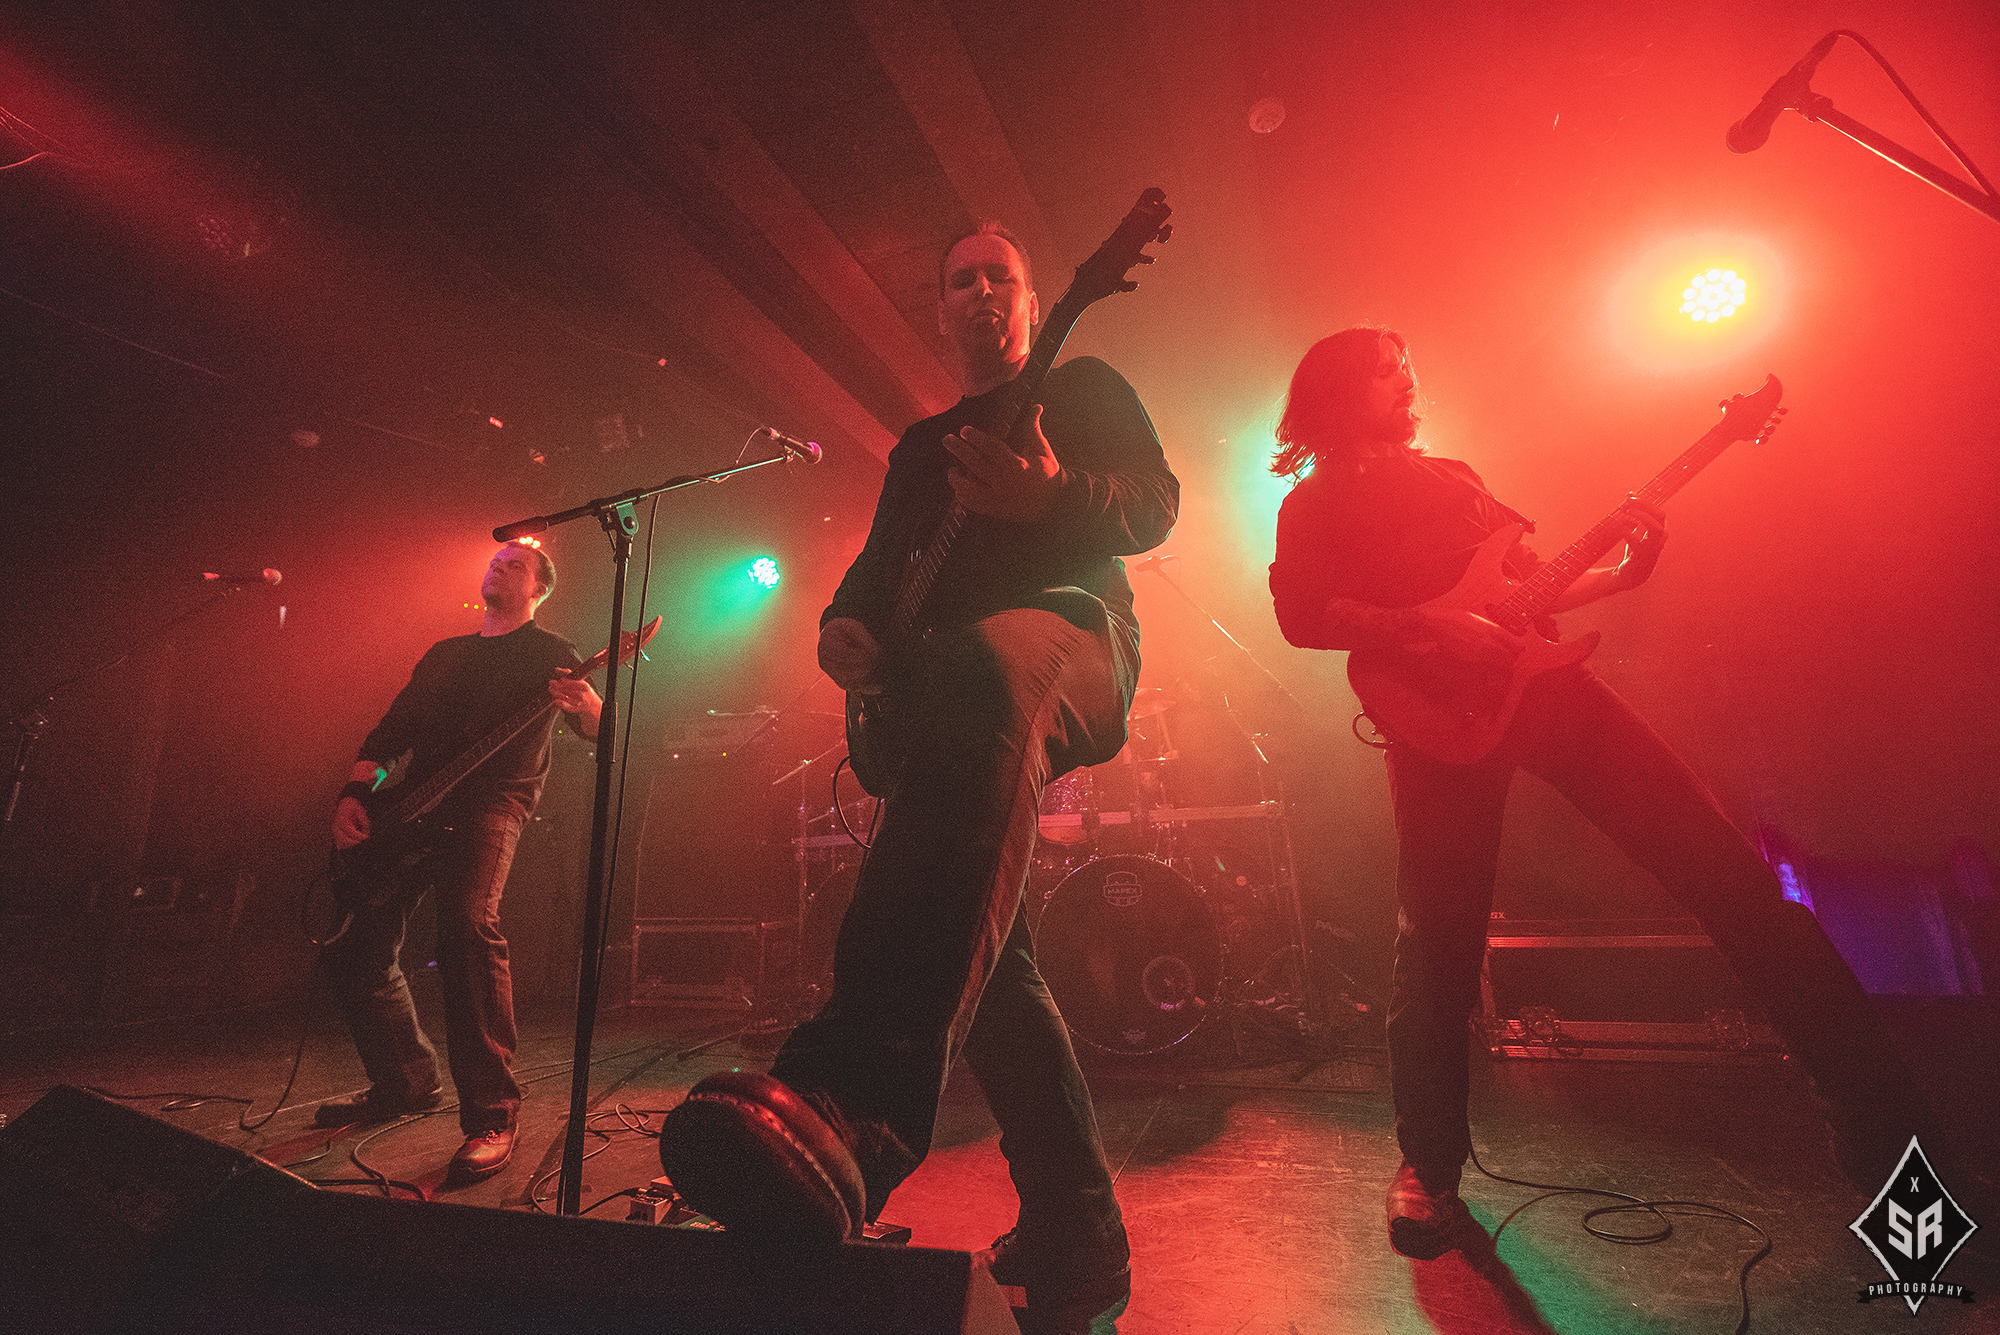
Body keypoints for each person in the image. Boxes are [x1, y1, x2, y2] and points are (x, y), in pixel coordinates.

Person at [1266, 327, 1923, 1261]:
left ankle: (1888, 1132)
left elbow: (1525, 591)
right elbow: (1301, 614)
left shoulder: (1455, 475)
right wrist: (1431, 629)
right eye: (1384, 367)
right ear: (1334, 390)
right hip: (1437, 726)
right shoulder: (1315, 501)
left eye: (1407, 363)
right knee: (1439, 945)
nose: (1405, 376)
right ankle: (1429, 1167)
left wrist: (1622, 573)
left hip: (1553, 693)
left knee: (1729, 875)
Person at [659, 222, 1177, 1331]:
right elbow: (872, 570)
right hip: (943, 697)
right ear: (940, 311)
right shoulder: (919, 448)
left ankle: (855, 1106)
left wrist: (1052, 497)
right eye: (961, 280)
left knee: (988, 664)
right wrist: (842, 627)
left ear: (1033, 302)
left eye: (1002, 276)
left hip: (1070, 637)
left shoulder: (1080, 385)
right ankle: (1079, 1236)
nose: (983, 291)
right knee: (994, 969)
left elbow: (1155, 503)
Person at [314, 542, 601, 1185]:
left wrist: (587, 705)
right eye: (497, 559)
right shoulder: (445, 654)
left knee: (467, 929)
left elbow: (596, 729)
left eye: (517, 564)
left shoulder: (552, 651)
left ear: (541, 589)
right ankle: (405, 1081)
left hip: (493, 804)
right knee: (355, 944)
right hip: (417, 801)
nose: (500, 565)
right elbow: (392, 732)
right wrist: (356, 791)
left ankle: (493, 1115)